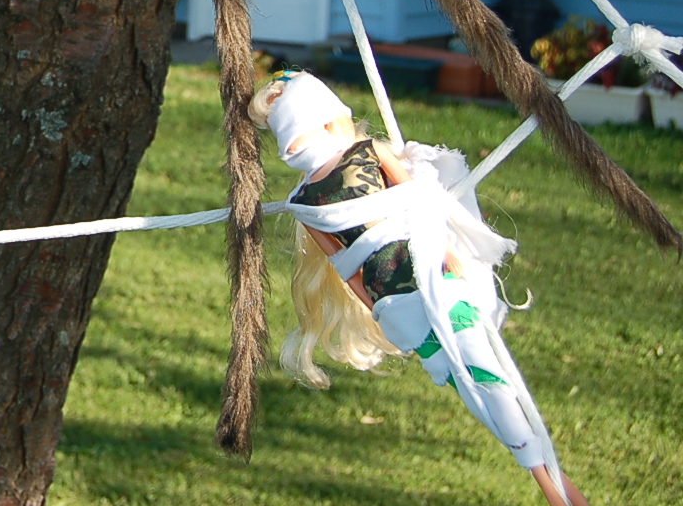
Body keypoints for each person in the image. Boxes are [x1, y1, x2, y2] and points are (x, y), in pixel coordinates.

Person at [252, 70, 589, 506]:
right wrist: (442, 257)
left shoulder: (305, 199)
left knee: (478, 375)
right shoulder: (360, 156)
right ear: (326, 117)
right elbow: (414, 206)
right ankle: (552, 484)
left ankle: (550, 481)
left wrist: (377, 302)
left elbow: (353, 261)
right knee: (479, 374)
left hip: (397, 292)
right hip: (418, 276)